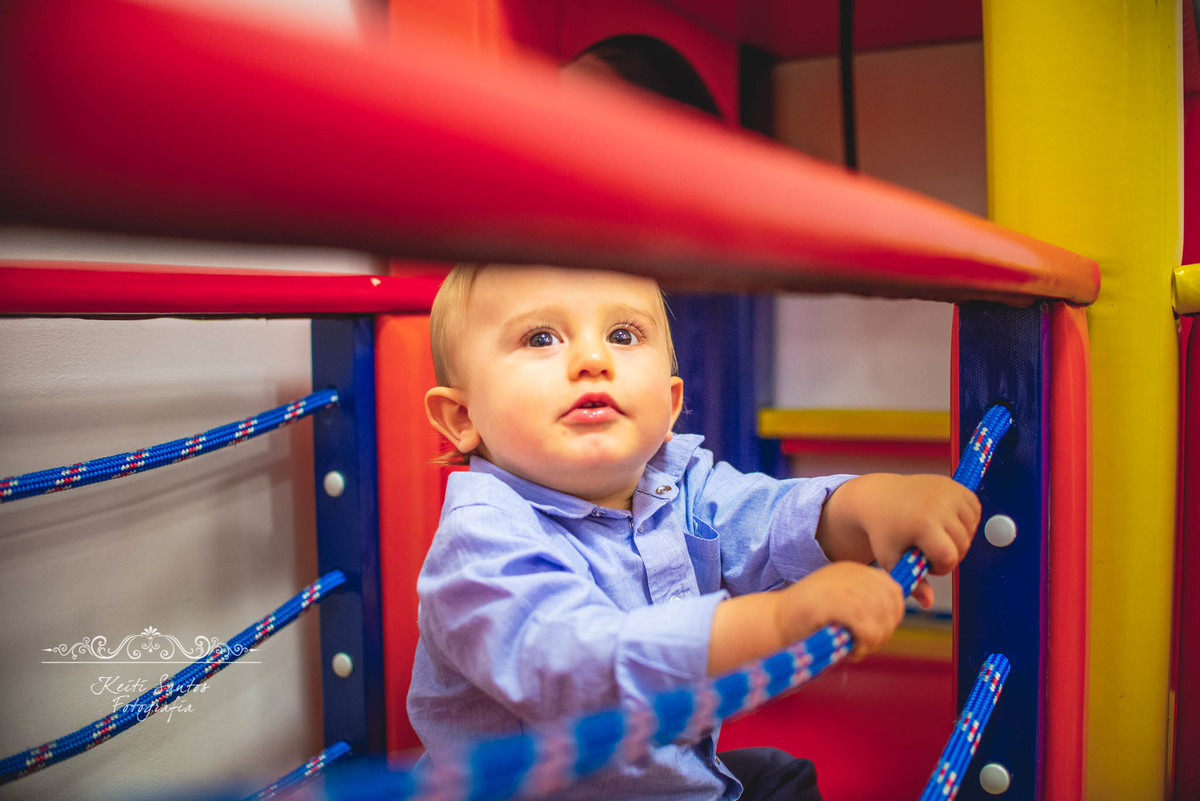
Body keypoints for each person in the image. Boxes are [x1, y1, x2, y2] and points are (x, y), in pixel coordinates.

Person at [408, 263, 981, 801]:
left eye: (623, 335)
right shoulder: (480, 539)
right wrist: (780, 620)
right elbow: (570, 666)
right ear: (463, 418)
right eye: (540, 338)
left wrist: (869, 503)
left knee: (782, 777)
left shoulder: (675, 482)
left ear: (670, 405)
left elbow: (765, 517)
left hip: (669, 782)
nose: (593, 359)